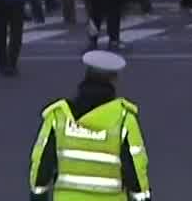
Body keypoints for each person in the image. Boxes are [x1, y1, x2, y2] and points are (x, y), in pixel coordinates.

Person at [26, 51, 152, 201]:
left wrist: (38, 195)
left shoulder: (59, 117)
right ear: (114, 80)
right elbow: (136, 170)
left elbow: (42, 164)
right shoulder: (124, 119)